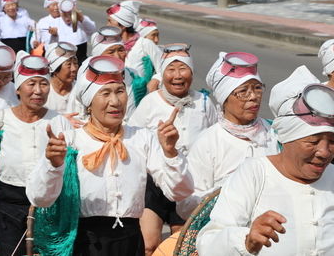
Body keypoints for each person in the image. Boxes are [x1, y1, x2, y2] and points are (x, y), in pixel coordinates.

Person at [26, 55, 194, 256]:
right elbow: (40, 198)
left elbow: (180, 192)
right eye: (105, 93)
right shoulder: (70, 142)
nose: (115, 101)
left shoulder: (142, 138)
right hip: (83, 242)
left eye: (120, 91)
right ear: (88, 103)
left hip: (130, 241)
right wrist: (53, 165)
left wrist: (170, 152)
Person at [197, 65, 334, 256]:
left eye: (332, 142)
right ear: (287, 138)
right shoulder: (255, 174)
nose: (324, 152)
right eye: (313, 142)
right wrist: (246, 241)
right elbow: (208, 243)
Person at [0, 52, 70, 256]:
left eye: (43, 84)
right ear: (18, 88)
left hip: (51, 209)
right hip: (8, 207)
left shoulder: (60, 123)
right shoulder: (0, 121)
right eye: (31, 84)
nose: (37, 91)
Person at [128, 44, 218, 255]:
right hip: (155, 184)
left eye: (182, 69)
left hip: (190, 184)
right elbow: (132, 141)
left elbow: (215, 137)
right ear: (162, 73)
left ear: (192, 72)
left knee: (181, 246)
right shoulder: (149, 103)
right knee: (149, 245)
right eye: (171, 69)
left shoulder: (204, 103)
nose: (177, 75)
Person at [176, 51, 280, 220]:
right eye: (243, 91)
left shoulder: (274, 133)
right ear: (224, 98)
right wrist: (227, 190)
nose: (253, 97)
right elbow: (185, 208)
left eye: (257, 88)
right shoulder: (209, 143)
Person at [67, 26, 138, 122]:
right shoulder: (87, 76)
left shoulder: (131, 76)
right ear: (98, 57)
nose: (117, 56)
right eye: (111, 52)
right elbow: (76, 116)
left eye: (120, 50)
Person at [50, 0, 96, 64]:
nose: (68, 18)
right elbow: (50, 45)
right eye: (65, 14)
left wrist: (81, 18)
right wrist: (53, 35)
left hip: (81, 59)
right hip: (63, 61)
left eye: (70, 14)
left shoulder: (81, 20)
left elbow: (92, 30)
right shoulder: (55, 22)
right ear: (60, 12)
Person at [125, 18, 162, 104]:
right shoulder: (130, 46)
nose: (156, 40)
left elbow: (163, 67)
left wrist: (155, 80)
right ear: (143, 35)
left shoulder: (146, 44)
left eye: (157, 35)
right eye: (153, 35)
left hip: (143, 93)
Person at [44, 41, 78, 114]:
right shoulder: (43, 92)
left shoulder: (79, 90)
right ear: (55, 69)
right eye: (69, 64)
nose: (74, 69)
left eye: (75, 63)